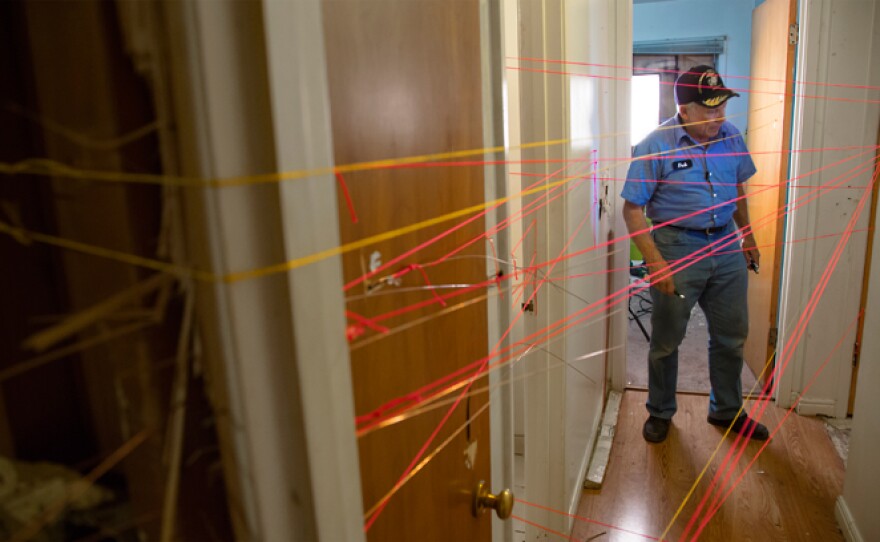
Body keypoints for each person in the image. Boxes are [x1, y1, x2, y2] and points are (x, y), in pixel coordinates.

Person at [621, 65, 769, 443]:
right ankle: (660, 412)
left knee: (732, 336)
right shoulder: (655, 144)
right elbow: (632, 209)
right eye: (709, 109)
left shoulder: (731, 137)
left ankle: (726, 411)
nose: (719, 116)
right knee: (667, 340)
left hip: (725, 245)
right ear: (684, 110)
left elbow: (737, 190)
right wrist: (655, 263)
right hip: (677, 248)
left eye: (722, 107)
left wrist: (747, 237)